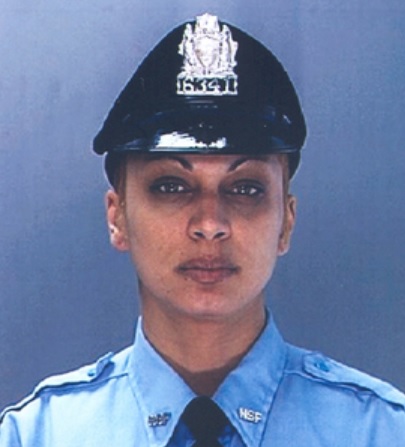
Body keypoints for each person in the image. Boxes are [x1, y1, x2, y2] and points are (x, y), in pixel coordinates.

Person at [1, 13, 404, 447]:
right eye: (171, 186)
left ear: (286, 222)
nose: (210, 224)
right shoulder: (37, 436)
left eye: (245, 188)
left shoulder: (381, 433)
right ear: (117, 217)